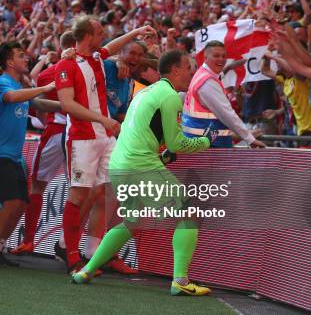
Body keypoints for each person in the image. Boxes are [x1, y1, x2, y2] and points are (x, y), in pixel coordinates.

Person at [71, 50, 213, 297]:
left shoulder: (145, 92)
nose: (191, 73)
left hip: (119, 164)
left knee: (133, 221)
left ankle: (87, 270)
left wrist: (162, 156)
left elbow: (146, 134)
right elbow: (177, 143)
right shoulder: (170, 97)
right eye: (189, 68)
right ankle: (180, 280)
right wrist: (206, 141)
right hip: (139, 165)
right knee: (190, 213)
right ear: (176, 70)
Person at [55, 15, 156, 272]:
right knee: (80, 195)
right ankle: (70, 254)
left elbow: (114, 47)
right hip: (81, 138)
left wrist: (136, 31)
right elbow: (67, 105)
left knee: (110, 192)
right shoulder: (66, 65)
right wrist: (103, 118)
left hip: (104, 135)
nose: (104, 35)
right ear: (88, 34)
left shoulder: (98, 58)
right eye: (100, 31)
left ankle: (96, 250)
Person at [0, 41, 59, 267]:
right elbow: (12, 98)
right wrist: (45, 87)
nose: (26, 58)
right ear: (9, 62)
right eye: (21, 55)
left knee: (20, 203)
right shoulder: (2, 84)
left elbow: (39, 103)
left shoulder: (18, 86)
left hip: (13, 156)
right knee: (12, 202)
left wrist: (66, 105)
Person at [11, 31, 76, 255]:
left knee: (38, 185)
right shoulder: (90, 70)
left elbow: (40, 111)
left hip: (56, 130)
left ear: (61, 48)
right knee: (80, 190)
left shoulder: (49, 73)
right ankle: (69, 246)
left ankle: (29, 240)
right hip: (80, 132)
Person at [181, 41, 266, 148]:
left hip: (201, 140)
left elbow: (216, 77)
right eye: (216, 56)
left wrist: (229, 67)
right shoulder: (207, 83)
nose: (221, 59)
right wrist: (249, 138)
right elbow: (227, 114)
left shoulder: (202, 73)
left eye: (224, 56)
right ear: (205, 57)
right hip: (209, 145)